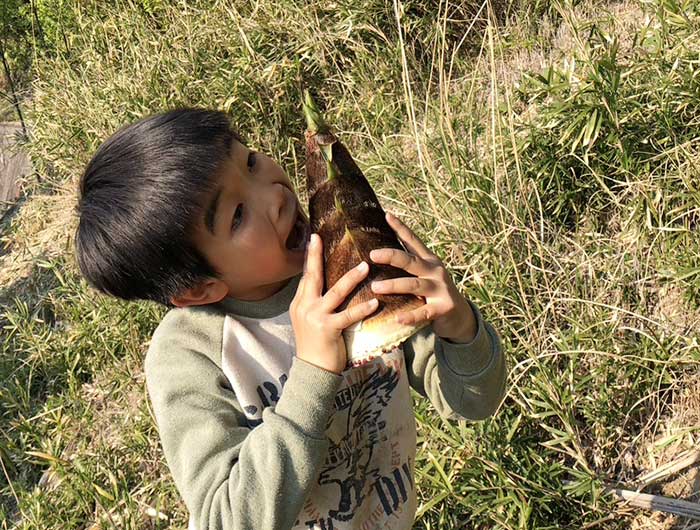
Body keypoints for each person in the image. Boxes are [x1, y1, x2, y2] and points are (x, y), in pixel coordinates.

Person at [75, 108, 507, 530]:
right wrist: (313, 373)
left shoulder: (353, 270)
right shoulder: (188, 355)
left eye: (249, 161)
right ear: (200, 291)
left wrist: (459, 326)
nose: (275, 194)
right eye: (237, 215)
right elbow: (224, 517)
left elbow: (471, 402)